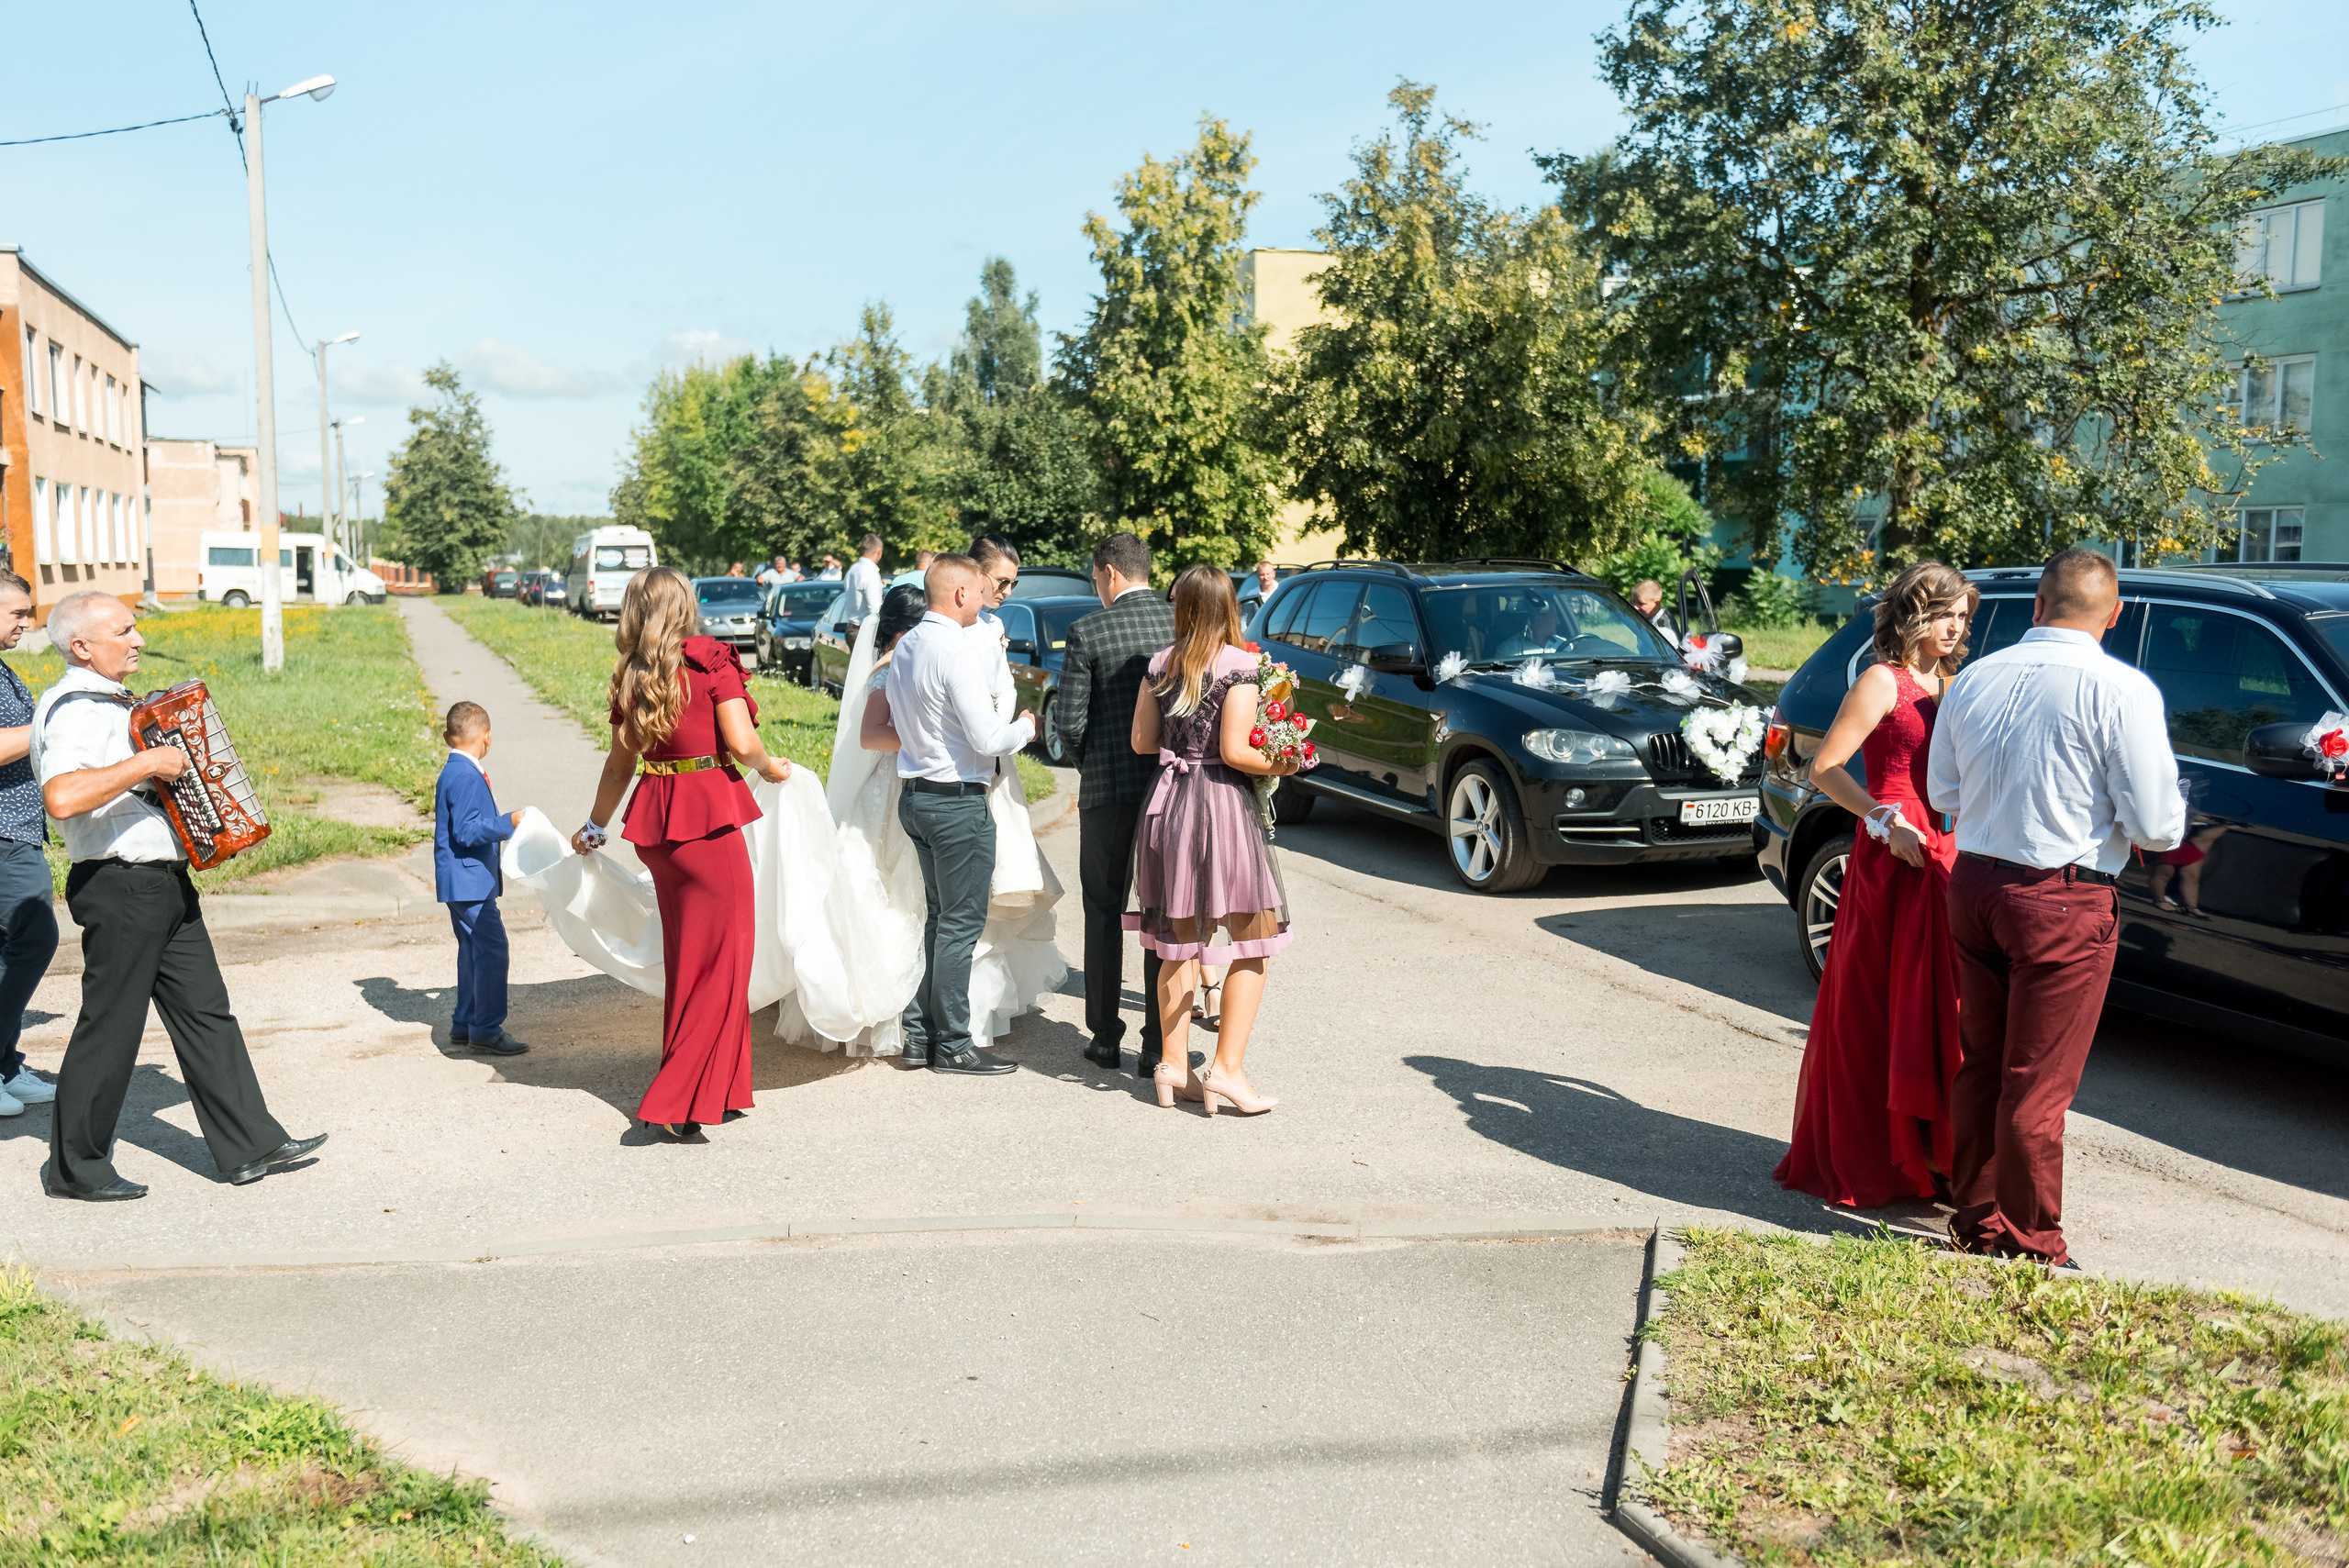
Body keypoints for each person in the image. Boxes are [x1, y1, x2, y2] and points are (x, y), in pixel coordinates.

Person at [1927, 547, 2183, 1267]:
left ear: (2036, 606)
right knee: (2036, 1080)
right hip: (2061, 895)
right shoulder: (2123, 689)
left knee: (1982, 1062)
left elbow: (1943, 792)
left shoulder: (1975, 677)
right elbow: (2160, 826)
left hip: (1974, 881)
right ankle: (2032, 1240)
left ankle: (1975, 1218)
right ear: (2115, 615)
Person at [33, 592, 325, 1200]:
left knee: (206, 1013)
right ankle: (74, 1169)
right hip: (119, 884)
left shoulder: (116, 702)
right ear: (82, 645)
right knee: (111, 1026)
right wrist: (147, 764)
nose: (138, 639)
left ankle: (250, 1144)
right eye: (124, 630)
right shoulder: (72, 708)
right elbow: (62, 796)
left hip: (163, 881)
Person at [1775, 562, 1976, 1209]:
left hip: (1941, 851)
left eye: (1964, 616)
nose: (1956, 625)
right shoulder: (1881, 680)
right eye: (1947, 612)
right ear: (1916, 612)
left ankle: (1930, 1154)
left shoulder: (1949, 682)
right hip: (1889, 850)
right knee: (1876, 1003)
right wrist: (1882, 819)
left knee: (1935, 1009)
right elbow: (1824, 767)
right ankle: (1871, 1154)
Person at [573, 567, 793, 1139]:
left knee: (691, 964)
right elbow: (743, 745)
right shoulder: (709, 659)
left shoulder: (631, 672)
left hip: (659, 821)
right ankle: (675, 1102)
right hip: (707, 818)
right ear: (684, 605)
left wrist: (594, 828)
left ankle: (719, 1088)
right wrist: (773, 768)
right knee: (723, 964)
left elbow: (620, 765)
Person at [1127, 565, 1297, 1114]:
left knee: (1177, 944)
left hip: (1168, 805)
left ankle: (1174, 1064)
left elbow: (1140, 742)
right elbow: (1236, 752)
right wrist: (1288, 760)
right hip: (1220, 806)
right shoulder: (1240, 666)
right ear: (1228, 606)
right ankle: (1226, 1071)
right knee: (1254, 940)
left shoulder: (1160, 664)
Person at [885, 557, 1039, 1073]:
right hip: (955, 805)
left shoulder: (906, 647)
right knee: (960, 924)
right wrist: (1026, 726)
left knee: (938, 921)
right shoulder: (954, 652)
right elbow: (988, 738)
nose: (984, 598)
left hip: (917, 797)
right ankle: (952, 1044)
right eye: (978, 590)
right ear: (957, 594)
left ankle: (920, 1032)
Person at [1057, 531, 1175, 1077]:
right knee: (1159, 914)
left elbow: (1071, 723)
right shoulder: (1182, 627)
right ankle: (1157, 1043)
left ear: (1109, 573)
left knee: (1103, 908)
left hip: (1107, 789)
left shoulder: (1087, 631)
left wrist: (1094, 766)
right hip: (1171, 789)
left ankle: (1106, 1037)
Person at [435, 701, 529, 1057]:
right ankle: (486, 1028)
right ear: (487, 738)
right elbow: (467, 831)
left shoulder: (454, 770)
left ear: (448, 737)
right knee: (493, 949)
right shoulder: (465, 775)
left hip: (461, 880)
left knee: (472, 950)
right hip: (469, 881)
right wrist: (510, 821)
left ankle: (465, 1022)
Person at [0, 571, 59, 1117]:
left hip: (18, 828)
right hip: (2, 834)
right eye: (18, 612)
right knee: (33, 938)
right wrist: (52, 720)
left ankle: (4, 1062)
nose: (28, 622)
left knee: (15, 946)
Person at [841, 534, 885, 641]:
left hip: (852, 629)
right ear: (879, 551)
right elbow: (874, 608)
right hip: (865, 632)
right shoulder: (870, 572)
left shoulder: (853, 569)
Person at [1631, 579, 1678, 647]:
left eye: (1641, 603)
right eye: (1633, 602)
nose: (1635, 607)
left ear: (1657, 604)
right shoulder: (1648, 618)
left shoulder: (1663, 631)